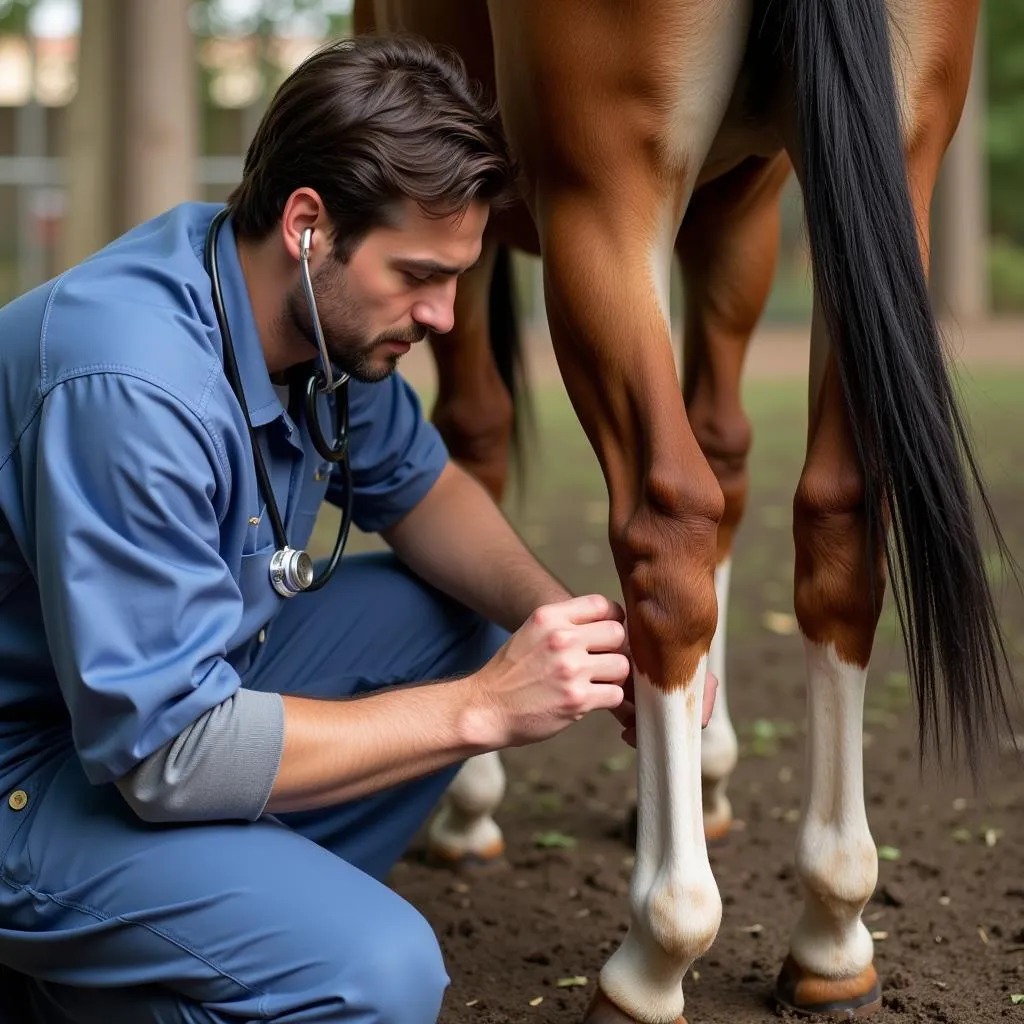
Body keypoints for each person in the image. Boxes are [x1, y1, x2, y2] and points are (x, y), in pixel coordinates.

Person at [0, 33, 717, 1024]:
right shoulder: (131, 383)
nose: (444, 315)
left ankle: (193, 926)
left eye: (458, 276)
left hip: (146, 717)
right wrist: (481, 709)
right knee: (378, 973)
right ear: (306, 225)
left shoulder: (312, 319)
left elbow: (426, 495)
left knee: (463, 611)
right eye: (420, 274)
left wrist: (581, 634)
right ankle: (64, 977)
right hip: (33, 770)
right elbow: (167, 754)